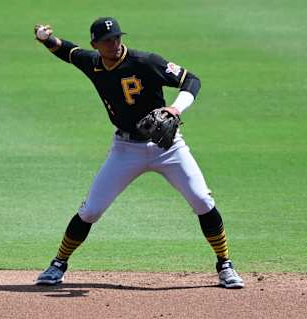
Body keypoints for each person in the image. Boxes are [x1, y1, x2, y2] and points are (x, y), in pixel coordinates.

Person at [33, 17, 244, 288]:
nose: (115, 43)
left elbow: (191, 80)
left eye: (117, 37)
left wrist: (176, 108)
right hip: (125, 149)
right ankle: (58, 264)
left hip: (167, 147)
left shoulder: (145, 61)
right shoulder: (93, 62)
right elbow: (68, 52)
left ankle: (225, 264)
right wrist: (46, 39)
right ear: (95, 44)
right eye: (107, 40)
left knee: (202, 201)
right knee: (91, 210)